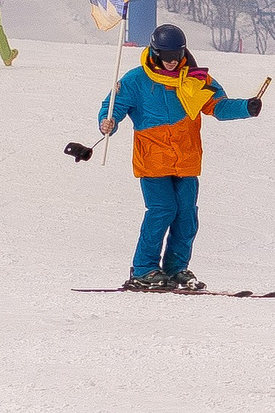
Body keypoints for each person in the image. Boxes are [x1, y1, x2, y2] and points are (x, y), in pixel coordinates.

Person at [96, 23, 263, 291]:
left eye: (177, 54)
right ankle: (144, 269)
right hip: (153, 160)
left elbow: (217, 106)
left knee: (186, 215)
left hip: (186, 159)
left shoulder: (195, 78)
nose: (172, 61)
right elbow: (113, 107)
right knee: (162, 211)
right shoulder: (136, 79)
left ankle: (176, 270)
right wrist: (108, 123)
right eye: (165, 54)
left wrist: (246, 107)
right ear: (154, 52)